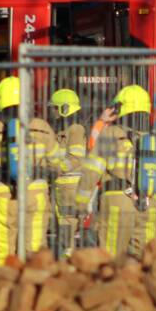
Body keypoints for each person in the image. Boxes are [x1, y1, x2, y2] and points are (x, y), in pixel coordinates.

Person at [76, 85, 156, 257]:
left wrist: (79, 205)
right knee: (145, 259)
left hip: (117, 203)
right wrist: (151, 189)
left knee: (111, 259)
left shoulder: (111, 134)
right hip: (148, 205)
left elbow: (91, 172)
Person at [0, 75, 60, 267]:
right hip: (36, 194)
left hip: (2, 196)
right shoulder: (41, 127)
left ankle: (5, 288)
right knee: (35, 247)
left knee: (3, 249)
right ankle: (35, 289)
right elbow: (58, 161)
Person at [48, 88, 87, 256]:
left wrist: (55, 170)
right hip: (61, 186)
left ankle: (68, 259)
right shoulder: (64, 129)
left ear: (64, 108)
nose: (52, 112)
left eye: (55, 108)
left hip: (69, 186)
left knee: (67, 224)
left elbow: (76, 157)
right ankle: (65, 256)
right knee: (62, 225)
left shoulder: (76, 129)